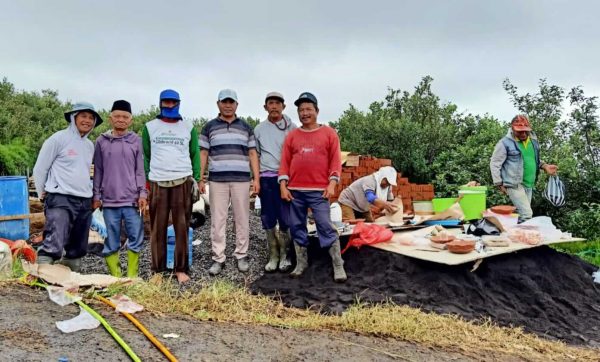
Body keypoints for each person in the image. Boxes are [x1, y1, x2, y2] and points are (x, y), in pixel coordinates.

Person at [278, 92, 346, 282]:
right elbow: (284, 163)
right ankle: (301, 262)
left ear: (316, 110)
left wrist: (332, 183)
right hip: (295, 191)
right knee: (296, 225)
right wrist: (283, 185)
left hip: (319, 191)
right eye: (301, 110)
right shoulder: (293, 136)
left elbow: (335, 162)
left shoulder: (329, 134)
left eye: (308, 109)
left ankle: (338, 264)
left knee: (325, 224)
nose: (304, 113)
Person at [33, 102, 103, 271]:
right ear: (74, 118)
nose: (87, 121)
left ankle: (70, 276)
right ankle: (43, 274)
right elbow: (40, 167)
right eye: (83, 116)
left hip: (83, 199)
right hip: (60, 196)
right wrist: (41, 191)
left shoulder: (89, 145)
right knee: (54, 239)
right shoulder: (58, 139)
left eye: (91, 118)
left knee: (78, 243)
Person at [142, 89, 201, 284]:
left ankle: (181, 268)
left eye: (173, 102)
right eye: (166, 102)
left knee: (182, 227)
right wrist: (147, 183)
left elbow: (195, 154)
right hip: (158, 181)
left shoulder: (188, 127)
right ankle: (157, 270)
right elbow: (146, 156)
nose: (169, 106)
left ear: (178, 103)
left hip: (182, 180)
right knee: (157, 227)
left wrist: (197, 179)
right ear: (160, 103)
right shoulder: (150, 127)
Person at [200, 89, 260, 276]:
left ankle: (241, 255)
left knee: (242, 219)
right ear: (218, 104)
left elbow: (252, 153)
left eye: (231, 102)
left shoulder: (246, 127)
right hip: (217, 181)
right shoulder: (209, 127)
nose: (228, 105)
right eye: (224, 102)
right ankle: (218, 258)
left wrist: (256, 178)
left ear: (237, 104)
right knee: (218, 220)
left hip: (241, 180)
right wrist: (200, 178)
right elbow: (203, 153)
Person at [93, 100, 146, 278]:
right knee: (111, 238)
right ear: (110, 118)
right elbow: (98, 170)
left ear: (131, 120)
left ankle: (131, 276)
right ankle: (115, 277)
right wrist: (96, 195)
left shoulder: (136, 141)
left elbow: (140, 170)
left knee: (135, 236)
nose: (121, 120)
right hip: (108, 201)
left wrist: (142, 193)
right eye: (117, 116)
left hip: (131, 200)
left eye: (125, 117)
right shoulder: (101, 141)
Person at [254, 92, 296, 272]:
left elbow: (296, 154)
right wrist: (255, 179)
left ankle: (286, 255)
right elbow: (255, 155)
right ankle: (273, 254)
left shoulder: (292, 128)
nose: (274, 106)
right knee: (268, 217)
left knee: (285, 217)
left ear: (283, 107)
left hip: (286, 179)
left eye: (277, 103)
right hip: (266, 178)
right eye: (270, 103)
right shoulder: (259, 129)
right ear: (265, 107)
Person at [490, 115, 558, 222]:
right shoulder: (504, 143)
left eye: (525, 131)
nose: (523, 134)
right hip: (513, 184)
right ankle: (524, 237)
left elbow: (533, 159)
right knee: (526, 214)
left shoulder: (533, 141)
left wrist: (545, 166)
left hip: (529, 183)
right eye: (519, 131)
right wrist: (498, 183)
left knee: (521, 214)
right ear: (512, 129)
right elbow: (495, 163)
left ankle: (513, 234)